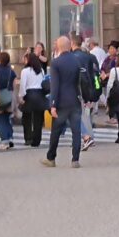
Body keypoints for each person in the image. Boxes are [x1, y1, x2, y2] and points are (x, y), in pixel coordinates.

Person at [41, 36, 83, 169]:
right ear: (70, 46)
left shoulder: (56, 63)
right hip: (75, 99)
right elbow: (79, 82)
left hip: (61, 102)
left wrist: (52, 104)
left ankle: (51, 157)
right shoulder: (76, 61)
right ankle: (75, 159)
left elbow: (55, 85)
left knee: (56, 130)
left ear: (58, 47)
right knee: (76, 131)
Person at [71, 35, 99, 151]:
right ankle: (88, 137)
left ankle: (87, 137)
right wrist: (93, 94)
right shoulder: (88, 57)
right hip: (87, 89)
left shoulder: (72, 57)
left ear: (73, 43)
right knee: (85, 115)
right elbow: (93, 76)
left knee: (80, 115)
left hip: (76, 89)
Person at [19, 53, 47, 147]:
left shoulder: (25, 71)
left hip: (29, 94)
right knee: (38, 119)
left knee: (26, 117)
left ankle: (28, 138)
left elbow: (23, 85)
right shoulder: (41, 70)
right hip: (40, 94)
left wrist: (21, 96)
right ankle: (37, 140)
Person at [0, 52, 17, 150]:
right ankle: (10, 138)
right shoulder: (11, 71)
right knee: (7, 118)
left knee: (1, 119)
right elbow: (14, 85)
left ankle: (4, 141)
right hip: (9, 96)